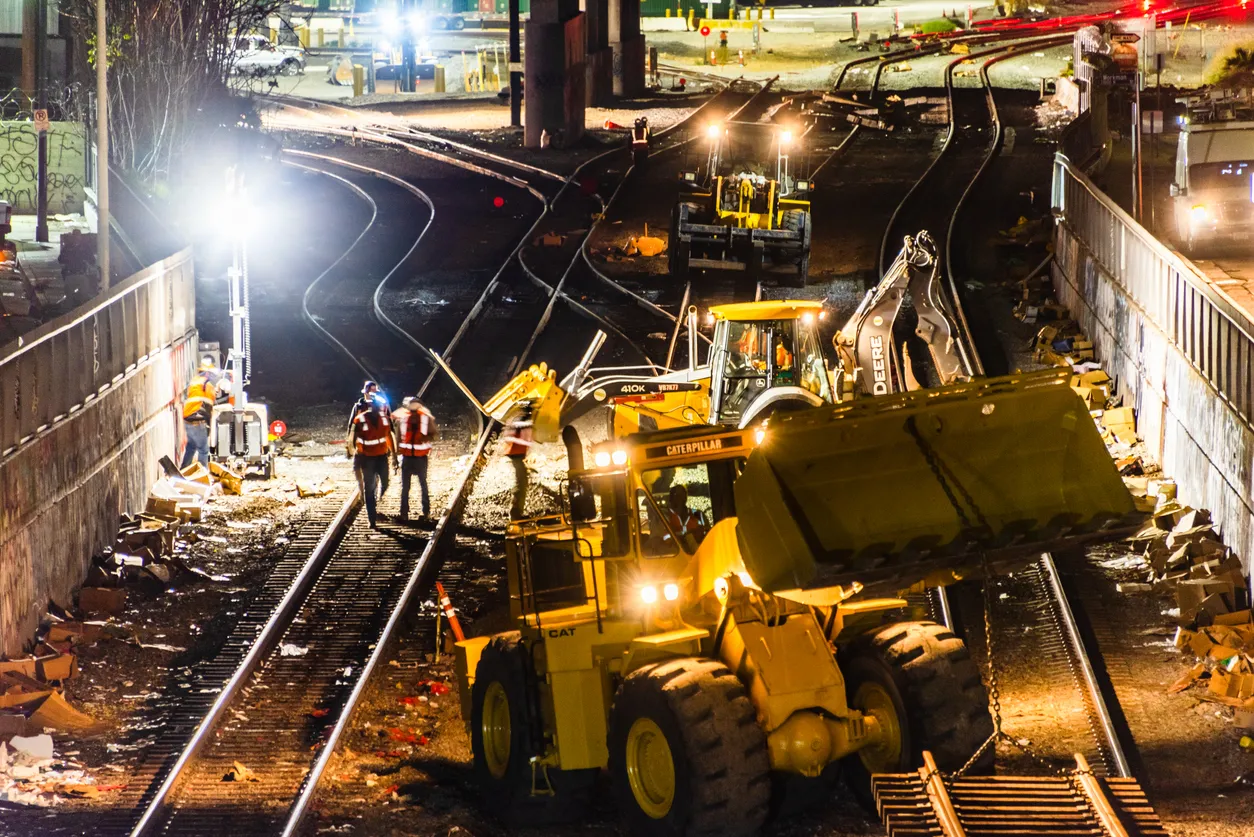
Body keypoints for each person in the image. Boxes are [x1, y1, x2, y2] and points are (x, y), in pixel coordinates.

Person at [346, 381, 395, 529]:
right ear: (365, 392)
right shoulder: (359, 408)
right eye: (371, 391)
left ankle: (375, 498)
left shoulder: (383, 409)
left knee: (383, 482)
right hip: (365, 455)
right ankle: (371, 516)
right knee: (368, 485)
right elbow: (351, 429)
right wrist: (351, 449)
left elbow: (390, 431)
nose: (373, 394)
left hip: (381, 454)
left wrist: (393, 453)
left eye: (375, 391)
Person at [395, 396, 436, 521]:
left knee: (408, 486)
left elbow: (398, 438)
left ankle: (405, 513)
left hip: (412, 457)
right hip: (416, 458)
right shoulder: (425, 417)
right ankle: (424, 511)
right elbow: (433, 433)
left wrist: (395, 456)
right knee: (420, 484)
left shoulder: (404, 418)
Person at [181, 356, 223, 468]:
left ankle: (184, 469)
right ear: (208, 373)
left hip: (187, 417)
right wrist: (216, 390)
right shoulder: (207, 384)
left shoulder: (195, 381)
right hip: (197, 419)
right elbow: (209, 402)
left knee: (191, 447)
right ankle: (202, 473)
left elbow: (199, 397)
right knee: (203, 450)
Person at [502, 401, 535, 519]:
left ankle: (516, 512)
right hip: (515, 454)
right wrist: (525, 442)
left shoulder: (517, 418)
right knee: (521, 482)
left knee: (522, 480)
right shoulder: (523, 421)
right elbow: (511, 437)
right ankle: (515, 513)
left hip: (516, 454)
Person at [665, 484, 707, 550]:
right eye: (676, 495)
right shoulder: (665, 517)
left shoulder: (698, 515)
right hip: (677, 554)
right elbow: (663, 540)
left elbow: (709, 535)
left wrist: (700, 535)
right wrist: (686, 536)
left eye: (683, 494)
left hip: (698, 553)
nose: (680, 498)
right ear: (670, 498)